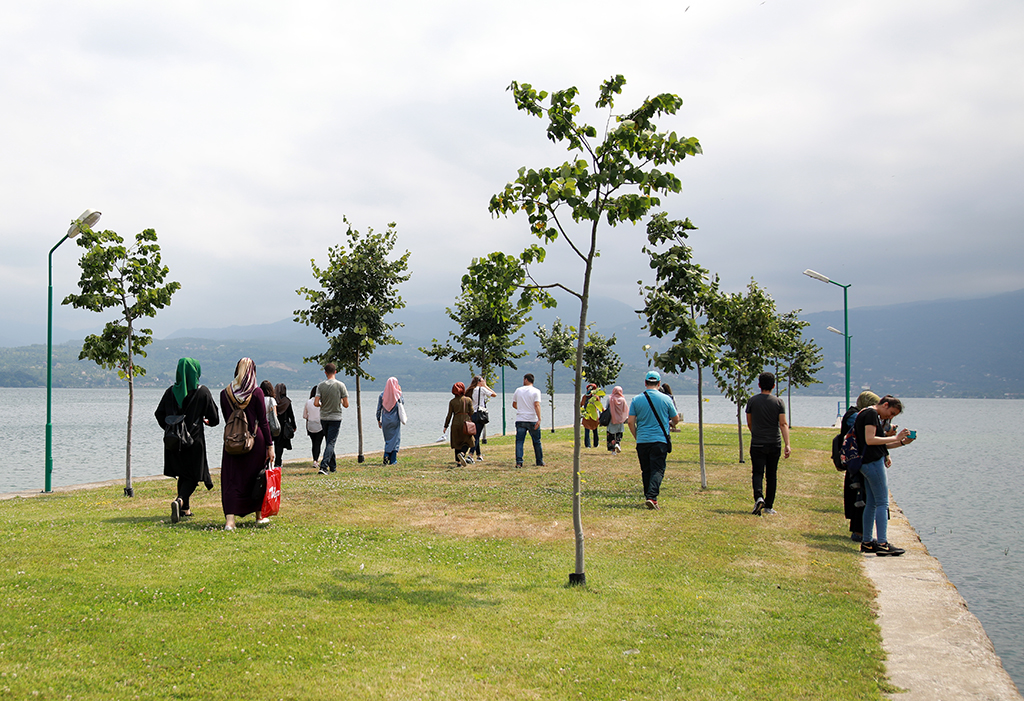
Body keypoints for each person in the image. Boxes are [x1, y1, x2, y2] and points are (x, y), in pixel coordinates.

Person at [154, 357, 220, 523]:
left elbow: (159, 414)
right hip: (194, 441)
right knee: (193, 476)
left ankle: (185, 510)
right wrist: (206, 421)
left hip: (173, 442)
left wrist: (170, 428)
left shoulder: (170, 392)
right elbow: (215, 418)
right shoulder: (202, 392)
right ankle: (180, 500)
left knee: (183, 474)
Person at [856, 395, 915, 556]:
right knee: (882, 502)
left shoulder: (867, 414)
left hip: (868, 461)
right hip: (872, 463)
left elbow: (879, 443)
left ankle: (867, 542)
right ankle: (882, 543)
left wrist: (901, 442)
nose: (890, 417)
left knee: (872, 503)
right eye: (892, 413)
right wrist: (895, 437)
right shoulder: (871, 414)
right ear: (885, 404)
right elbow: (870, 440)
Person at [219, 358, 273, 531]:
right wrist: (270, 445)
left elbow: (227, 419)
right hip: (254, 442)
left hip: (232, 443)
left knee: (231, 480)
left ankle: (230, 521)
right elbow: (263, 422)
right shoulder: (256, 393)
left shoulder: (224, 393)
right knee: (256, 478)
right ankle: (259, 516)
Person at [627, 370, 679, 509]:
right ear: (659, 383)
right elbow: (676, 418)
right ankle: (652, 497)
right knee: (658, 469)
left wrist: (637, 436)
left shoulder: (636, 400)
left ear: (645, 383)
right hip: (659, 440)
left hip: (643, 440)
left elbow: (631, 422)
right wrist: (671, 423)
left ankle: (648, 495)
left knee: (646, 470)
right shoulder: (666, 399)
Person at [745, 372, 791, 516]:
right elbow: (783, 424)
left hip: (757, 443)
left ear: (759, 385)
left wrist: (756, 433)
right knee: (772, 474)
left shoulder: (752, 401)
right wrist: (787, 444)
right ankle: (769, 505)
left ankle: (759, 497)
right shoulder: (778, 403)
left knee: (757, 472)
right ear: (774, 385)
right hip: (774, 443)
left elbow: (749, 422)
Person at [841, 390, 880, 541]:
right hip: (857, 460)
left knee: (861, 496)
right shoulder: (856, 415)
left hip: (856, 459)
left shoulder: (854, 413)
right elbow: (862, 434)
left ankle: (860, 531)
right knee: (860, 496)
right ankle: (859, 532)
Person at [314, 362, 349, 475]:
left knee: (329, 441)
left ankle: (333, 467)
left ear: (325, 372)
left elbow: (316, 403)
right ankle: (324, 467)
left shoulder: (320, 385)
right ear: (335, 371)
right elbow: (346, 404)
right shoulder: (341, 385)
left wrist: (322, 405)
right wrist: (339, 401)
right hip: (336, 417)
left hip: (324, 417)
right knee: (331, 442)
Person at [512, 373, 544, 468]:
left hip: (521, 419)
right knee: (536, 441)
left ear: (526, 379)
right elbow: (537, 405)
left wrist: (521, 408)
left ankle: (519, 462)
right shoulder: (536, 391)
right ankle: (539, 461)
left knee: (519, 441)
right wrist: (539, 418)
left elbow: (514, 404)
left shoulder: (518, 390)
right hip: (532, 419)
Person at [443, 382, 475, 466]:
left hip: (455, 422)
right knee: (469, 441)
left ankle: (458, 462)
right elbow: (472, 412)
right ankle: (463, 453)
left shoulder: (452, 402)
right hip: (466, 422)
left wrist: (445, 426)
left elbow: (449, 415)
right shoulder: (468, 400)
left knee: (457, 442)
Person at [376, 376, 405, 465]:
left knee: (388, 439)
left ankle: (386, 455)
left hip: (385, 420)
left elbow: (378, 409)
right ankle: (392, 459)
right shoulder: (398, 395)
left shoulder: (382, 395)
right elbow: (402, 404)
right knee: (395, 439)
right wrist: (400, 391)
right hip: (395, 420)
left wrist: (378, 420)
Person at [467, 375, 496, 460]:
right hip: (480, 414)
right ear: (479, 382)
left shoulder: (471, 390)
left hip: (473, 414)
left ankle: (479, 455)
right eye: (482, 381)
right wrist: (485, 386)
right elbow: (494, 394)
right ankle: (470, 455)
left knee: (476, 434)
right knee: (476, 436)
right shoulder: (481, 389)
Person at [273, 383, 297, 467]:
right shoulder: (287, 401)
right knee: (280, 445)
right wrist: (294, 426)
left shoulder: (273, 400)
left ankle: (271, 461)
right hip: (283, 425)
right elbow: (291, 415)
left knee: (273, 443)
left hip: (273, 424)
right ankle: (278, 462)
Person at [303, 386, 324, 468]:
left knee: (313, 443)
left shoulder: (308, 402)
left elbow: (304, 416)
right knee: (318, 443)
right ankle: (316, 461)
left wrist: (310, 416)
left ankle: (314, 460)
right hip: (319, 425)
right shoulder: (321, 403)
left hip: (310, 425)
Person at [581, 384, 605, 448]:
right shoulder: (596, 397)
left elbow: (581, 404)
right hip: (594, 416)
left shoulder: (584, 397)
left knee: (587, 431)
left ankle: (588, 445)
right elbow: (600, 407)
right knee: (595, 431)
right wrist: (604, 412)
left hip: (586, 416)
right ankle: (596, 444)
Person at [606, 385, 629, 453]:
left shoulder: (610, 399)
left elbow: (607, 408)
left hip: (611, 420)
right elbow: (625, 409)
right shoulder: (623, 400)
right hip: (620, 420)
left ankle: (612, 450)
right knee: (618, 434)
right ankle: (617, 443)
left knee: (611, 435)